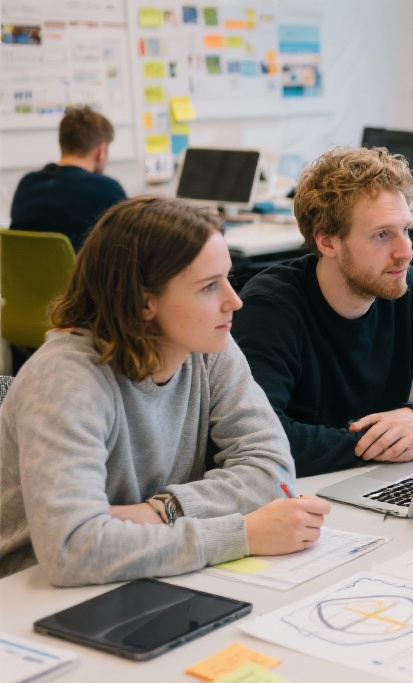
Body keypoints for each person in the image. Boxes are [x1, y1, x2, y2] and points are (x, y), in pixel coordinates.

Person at [0, 197, 330, 586]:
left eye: (227, 278)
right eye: (209, 287)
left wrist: (164, 509)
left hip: (148, 567)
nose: (234, 301)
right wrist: (242, 534)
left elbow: (273, 473)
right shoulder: (65, 379)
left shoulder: (206, 346)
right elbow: (73, 548)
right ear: (144, 302)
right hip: (31, 594)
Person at [232, 146, 413, 477]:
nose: (406, 252)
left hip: (369, 479)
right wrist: (386, 445)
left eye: (405, 230)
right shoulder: (269, 309)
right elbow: (260, 438)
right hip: (296, 497)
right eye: (382, 235)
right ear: (327, 242)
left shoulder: (406, 288)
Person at [9, 105, 127, 252]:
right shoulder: (108, 189)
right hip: (80, 275)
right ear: (101, 151)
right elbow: (127, 251)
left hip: (25, 274)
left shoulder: (27, 184)